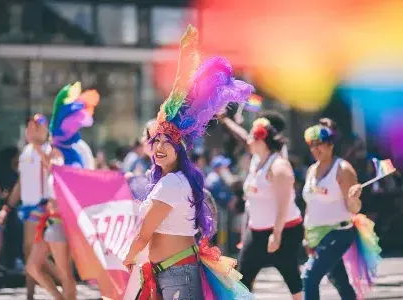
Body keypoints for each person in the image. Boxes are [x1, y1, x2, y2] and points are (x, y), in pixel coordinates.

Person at [122, 25, 254, 299]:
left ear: (179, 150)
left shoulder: (171, 182)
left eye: (166, 143)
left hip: (176, 273)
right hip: (167, 272)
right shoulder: (169, 180)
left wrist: (127, 258)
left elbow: (144, 234)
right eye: (155, 141)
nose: (158, 147)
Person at [218, 111, 303, 299]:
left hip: (284, 230)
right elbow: (242, 136)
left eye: (252, 137)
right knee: (242, 280)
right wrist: (225, 121)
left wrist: (277, 234)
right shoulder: (257, 158)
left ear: (262, 140)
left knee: (291, 277)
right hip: (256, 231)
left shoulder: (279, 166)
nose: (248, 140)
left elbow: (283, 204)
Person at [26, 82, 99, 300]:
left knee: (65, 274)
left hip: (62, 220)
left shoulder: (71, 154)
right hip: (51, 219)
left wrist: (39, 147)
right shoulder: (62, 153)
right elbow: (52, 163)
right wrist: (37, 145)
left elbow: (58, 167)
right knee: (33, 266)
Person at [301, 118, 380, 300]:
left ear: (330, 144)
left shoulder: (343, 169)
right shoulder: (312, 170)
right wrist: (307, 237)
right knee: (339, 280)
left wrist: (353, 197)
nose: (315, 149)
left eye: (319, 144)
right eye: (311, 145)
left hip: (338, 232)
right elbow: (310, 206)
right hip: (316, 234)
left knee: (309, 276)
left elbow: (355, 208)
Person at [0, 114, 60, 300]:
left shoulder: (52, 150)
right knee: (29, 253)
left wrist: (38, 148)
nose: (31, 130)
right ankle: (32, 294)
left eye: (37, 126)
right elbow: (20, 184)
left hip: (45, 208)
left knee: (35, 254)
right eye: (30, 127)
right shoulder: (25, 152)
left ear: (46, 129)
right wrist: (6, 208)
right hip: (27, 208)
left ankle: (64, 282)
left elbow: (54, 170)